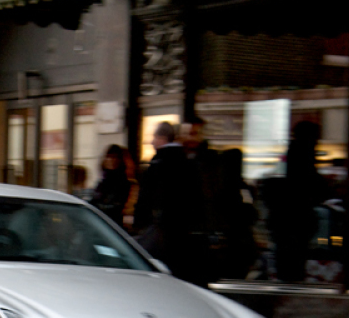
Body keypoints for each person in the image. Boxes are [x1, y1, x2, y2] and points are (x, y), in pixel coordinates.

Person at [134, 121, 208, 284]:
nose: (152, 142)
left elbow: (145, 201)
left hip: (162, 233)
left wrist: (139, 223)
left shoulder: (157, 165)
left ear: (162, 138)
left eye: (154, 137)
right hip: (185, 235)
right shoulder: (189, 164)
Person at [270, 120, 326, 282]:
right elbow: (308, 185)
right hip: (294, 220)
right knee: (293, 262)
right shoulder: (302, 155)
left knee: (290, 262)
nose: (317, 142)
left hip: (289, 221)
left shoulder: (292, 155)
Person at [211, 148, 259, 280]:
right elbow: (249, 211)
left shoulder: (220, 187)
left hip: (231, 240)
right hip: (238, 240)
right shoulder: (241, 187)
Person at [90, 144, 131, 227]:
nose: (111, 160)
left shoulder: (123, 183)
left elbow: (117, 206)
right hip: (99, 223)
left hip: (112, 225)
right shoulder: (102, 182)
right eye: (109, 157)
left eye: (115, 157)